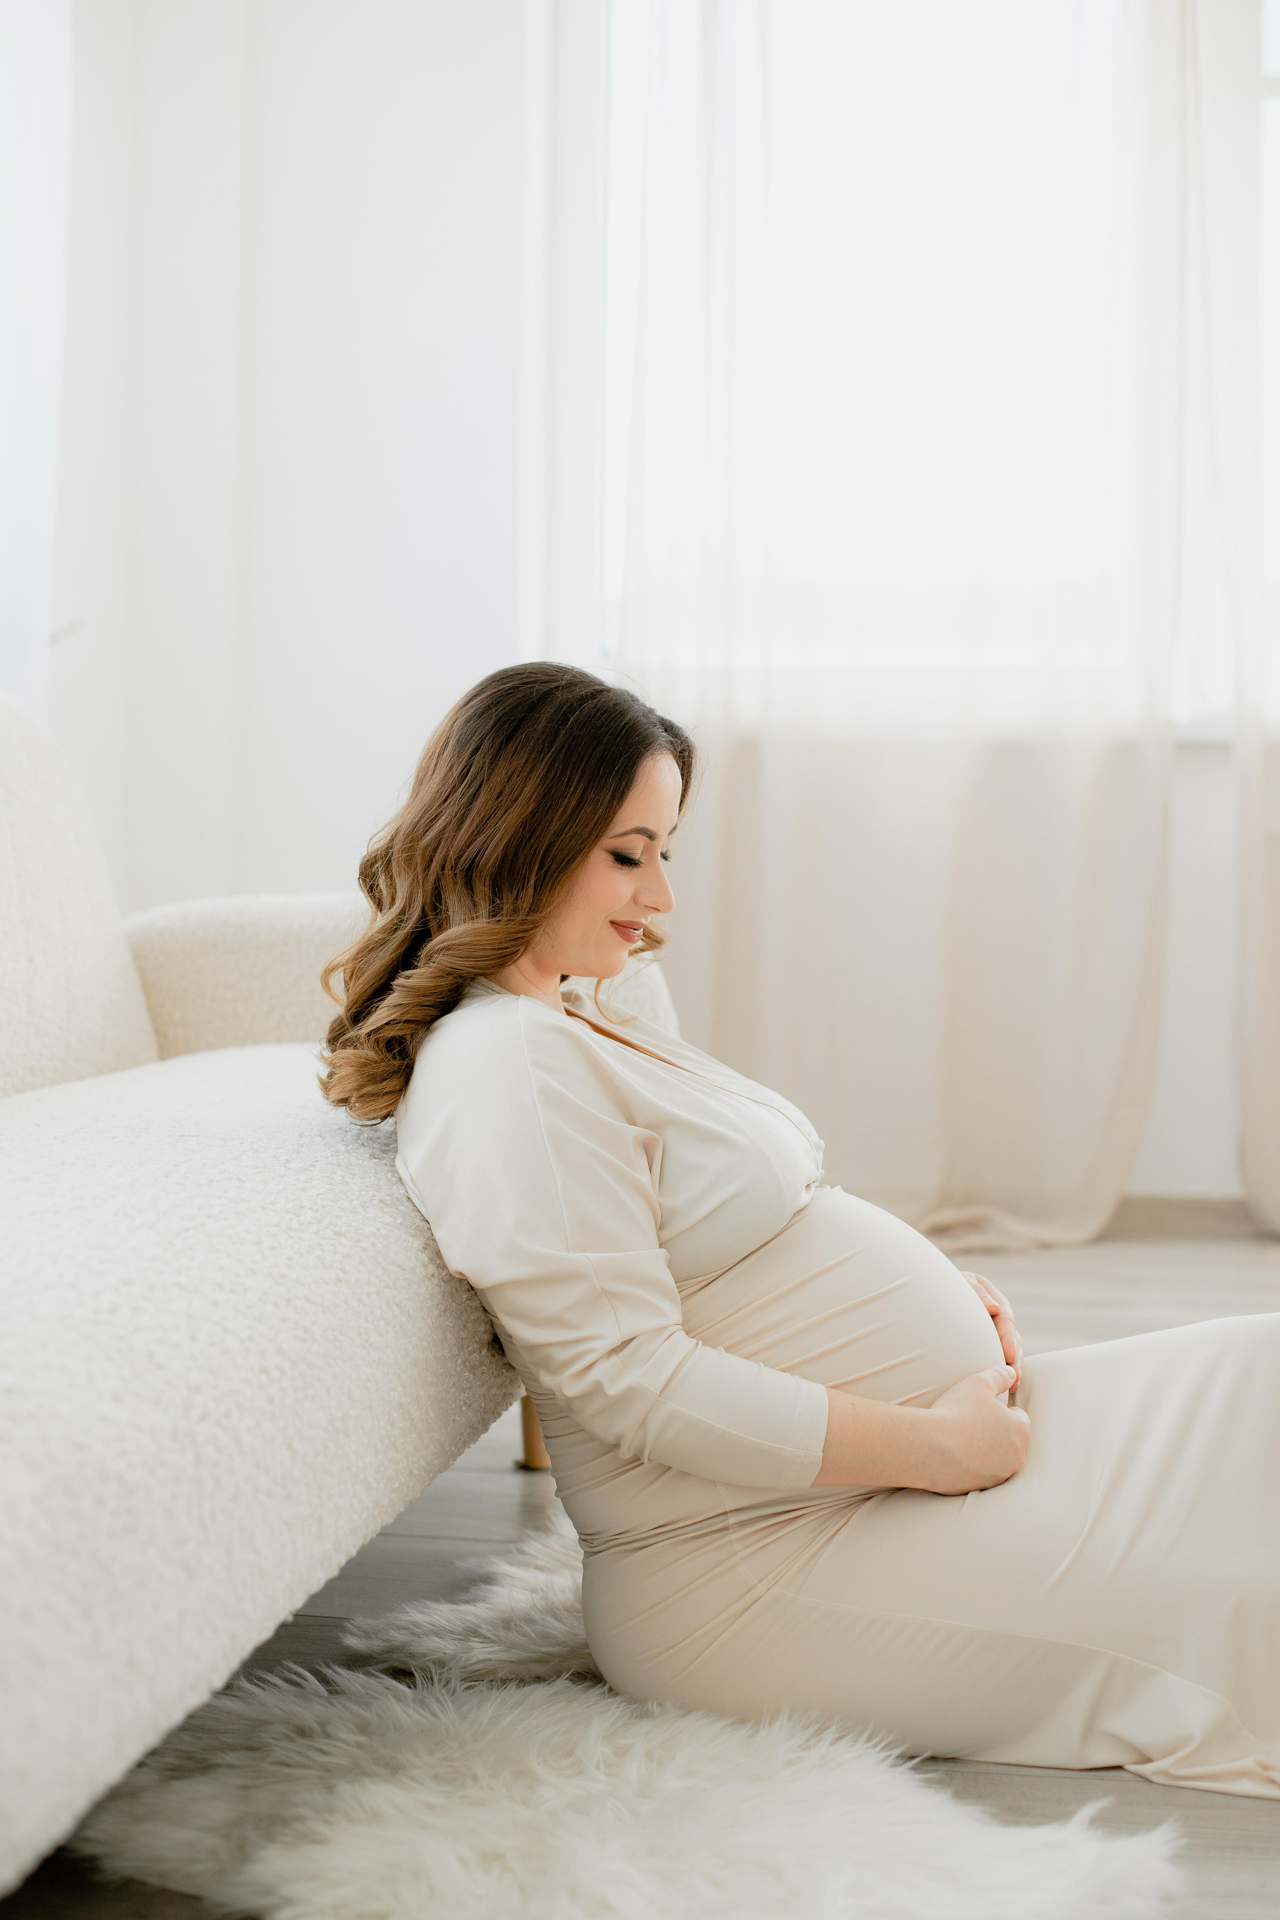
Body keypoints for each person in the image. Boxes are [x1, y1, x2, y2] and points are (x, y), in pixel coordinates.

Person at [321, 662, 1280, 1798]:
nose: (659, 895)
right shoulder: (506, 1071)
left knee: (1256, 1376)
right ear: (518, 836)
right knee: (1236, 1598)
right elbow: (627, 1380)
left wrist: (940, 1299)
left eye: (664, 852)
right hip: (759, 1570)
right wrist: (942, 1447)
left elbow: (732, 1239)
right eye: (627, 854)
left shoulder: (567, 1019)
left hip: (861, 1489)